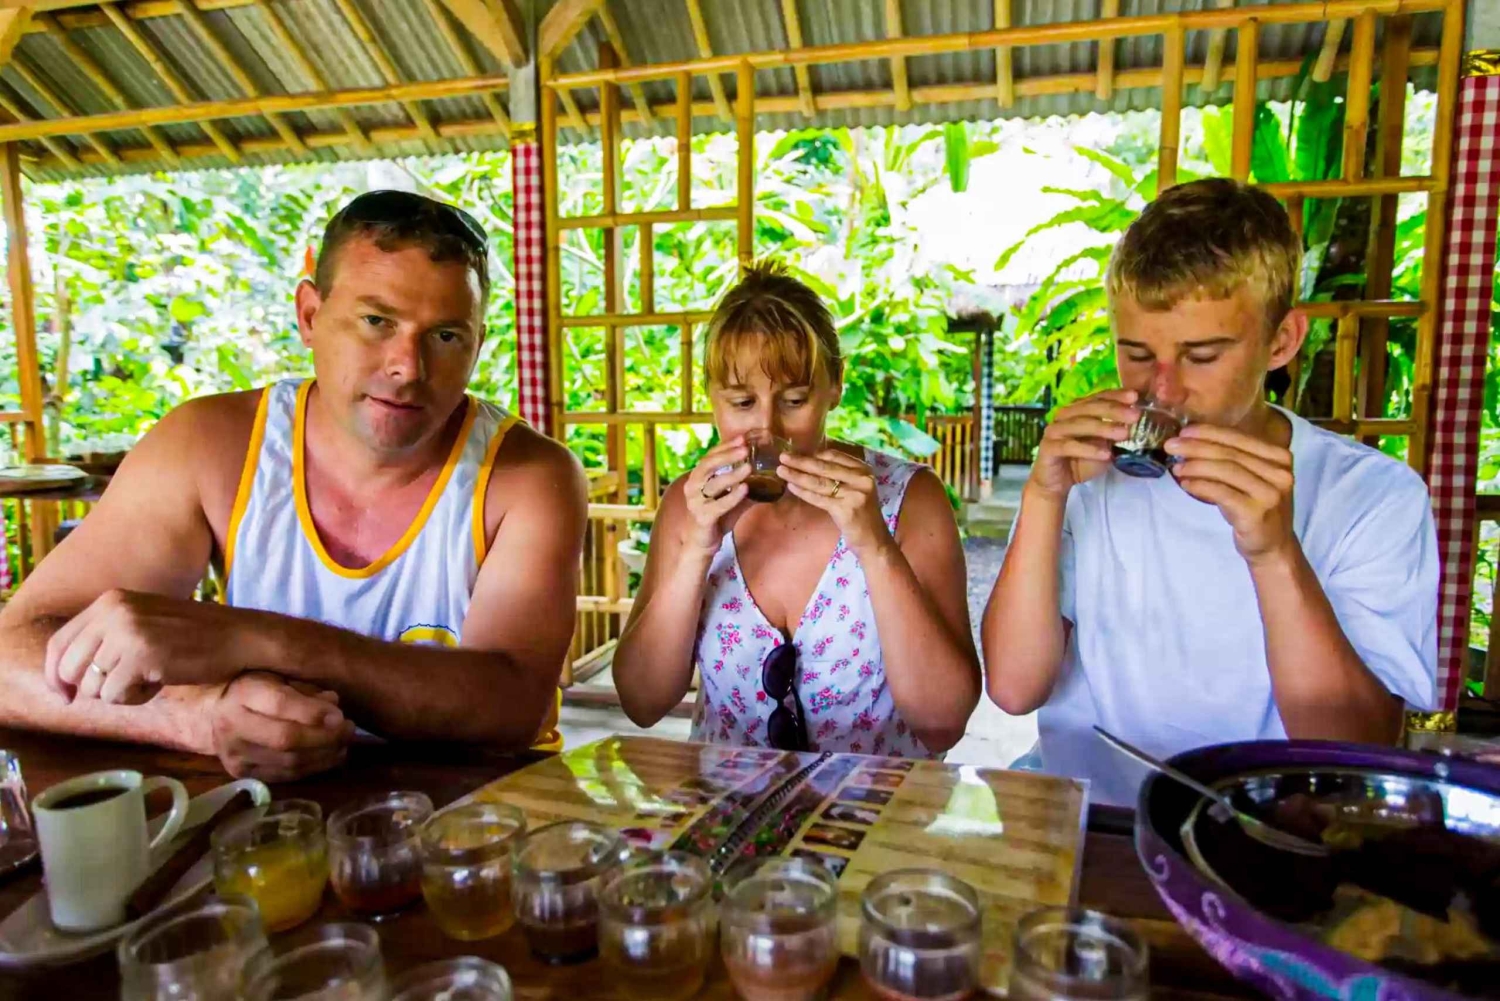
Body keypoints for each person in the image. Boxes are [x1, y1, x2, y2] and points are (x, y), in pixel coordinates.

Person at [0, 190, 587, 781]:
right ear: (310, 315)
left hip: (471, 822)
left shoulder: (529, 478)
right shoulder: (211, 446)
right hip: (271, 814)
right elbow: (10, 660)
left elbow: (512, 707)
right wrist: (202, 716)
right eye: (376, 321)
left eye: (445, 336)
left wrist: (260, 641)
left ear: (478, 345)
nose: (407, 367)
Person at [982, 178, 1438, 805]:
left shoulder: (1372, 496)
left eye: (1201, 355)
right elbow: (1012, 687)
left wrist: (1275, 553)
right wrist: (1042, 496)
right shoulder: (1088, 477)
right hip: (1090, 816)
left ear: (1281, 342)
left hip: (1269, 831)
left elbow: (1356, 749)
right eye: (1137, 353)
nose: (1162, 390)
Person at [613, 261, 981, 757]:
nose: (769, 429)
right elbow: (642, 702)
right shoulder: (691, 506)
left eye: (795, 399)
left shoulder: (907, 499)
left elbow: (943, 723)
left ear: (835, 385)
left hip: (879, 819)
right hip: (727, 817)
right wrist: (698, 550)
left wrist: (873, 545)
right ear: (712, 398)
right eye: (742, 403)